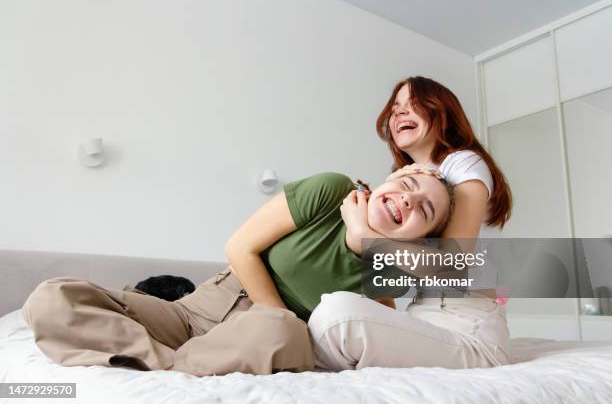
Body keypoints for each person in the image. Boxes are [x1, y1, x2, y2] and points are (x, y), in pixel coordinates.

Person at [22, 170, 453, 376]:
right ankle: (173, 367)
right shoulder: (331, 190)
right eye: (410, 184)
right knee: (52, 297)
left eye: (425, 210)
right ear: (390, 177)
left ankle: (153, 364)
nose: (410, 201)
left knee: (281, 333)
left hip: (257, 342)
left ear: (420, 238)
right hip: (191, 315)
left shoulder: (385, 270)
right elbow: (239, 247)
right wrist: (273, 315)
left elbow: (376, 342)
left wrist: (365, 240)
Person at [307, 76, 514, 371]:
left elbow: (452, 265)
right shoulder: (407, 184)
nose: (400, 113)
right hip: (423, 314)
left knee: (336, 315)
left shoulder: (463, 164)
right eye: (395, 108)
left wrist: (364, 234)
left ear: (443, 114)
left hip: (469, 326)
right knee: (334, 310)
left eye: (413, 105)